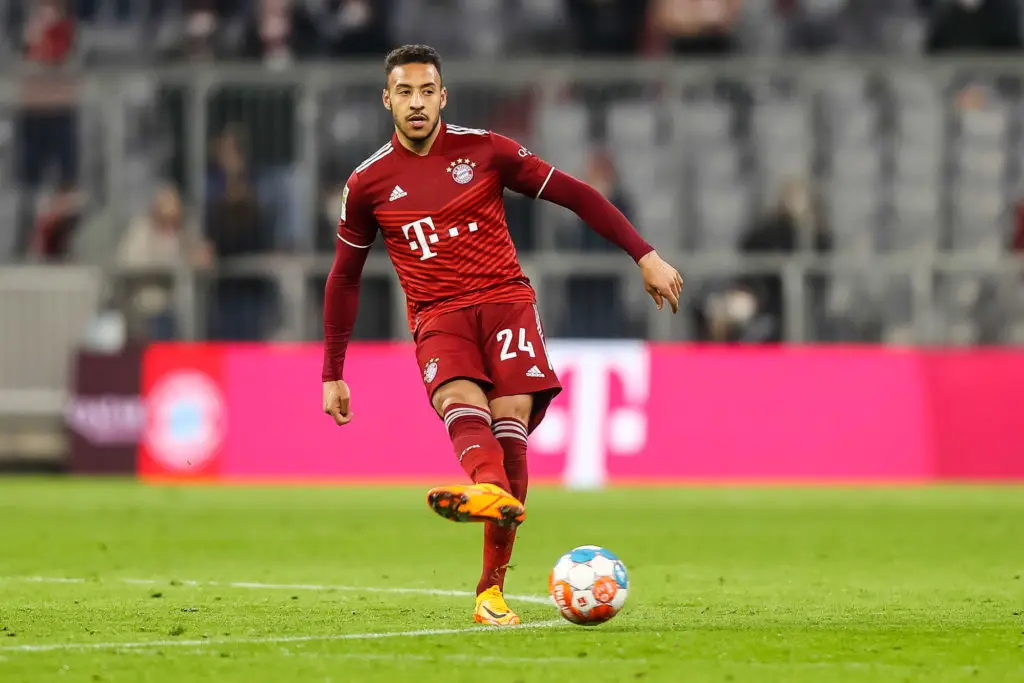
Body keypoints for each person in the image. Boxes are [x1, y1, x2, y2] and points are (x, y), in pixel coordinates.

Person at [321, 45, 683, 626]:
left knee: (510, 423)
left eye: (427, 91)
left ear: (443, 96)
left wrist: (644, 254)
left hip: (506, 304)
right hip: (438, 316)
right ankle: (489, 496)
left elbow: (576, 194)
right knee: (459, 401)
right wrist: (333, 371)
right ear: (387, 99)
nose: (417, 103)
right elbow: (344, 277)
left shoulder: (486, 150)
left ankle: (490, 589)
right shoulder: (367, 183)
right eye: (405, 92)